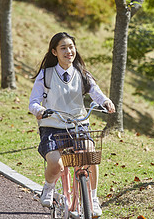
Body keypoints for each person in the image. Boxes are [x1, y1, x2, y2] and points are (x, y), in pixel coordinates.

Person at [29, 32, 115, 217]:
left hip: (78, 125)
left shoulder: (82, 73)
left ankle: (92, 197)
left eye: (71, 47)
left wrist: (106, 102)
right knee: (55, 164)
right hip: (52, 126)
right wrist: (39, 111)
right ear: (54, 52)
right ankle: (49, 186)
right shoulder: (45, 75)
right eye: (63, 48)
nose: (69, 51)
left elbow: (96, 92)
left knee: (90, 155)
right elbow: (33, 102)